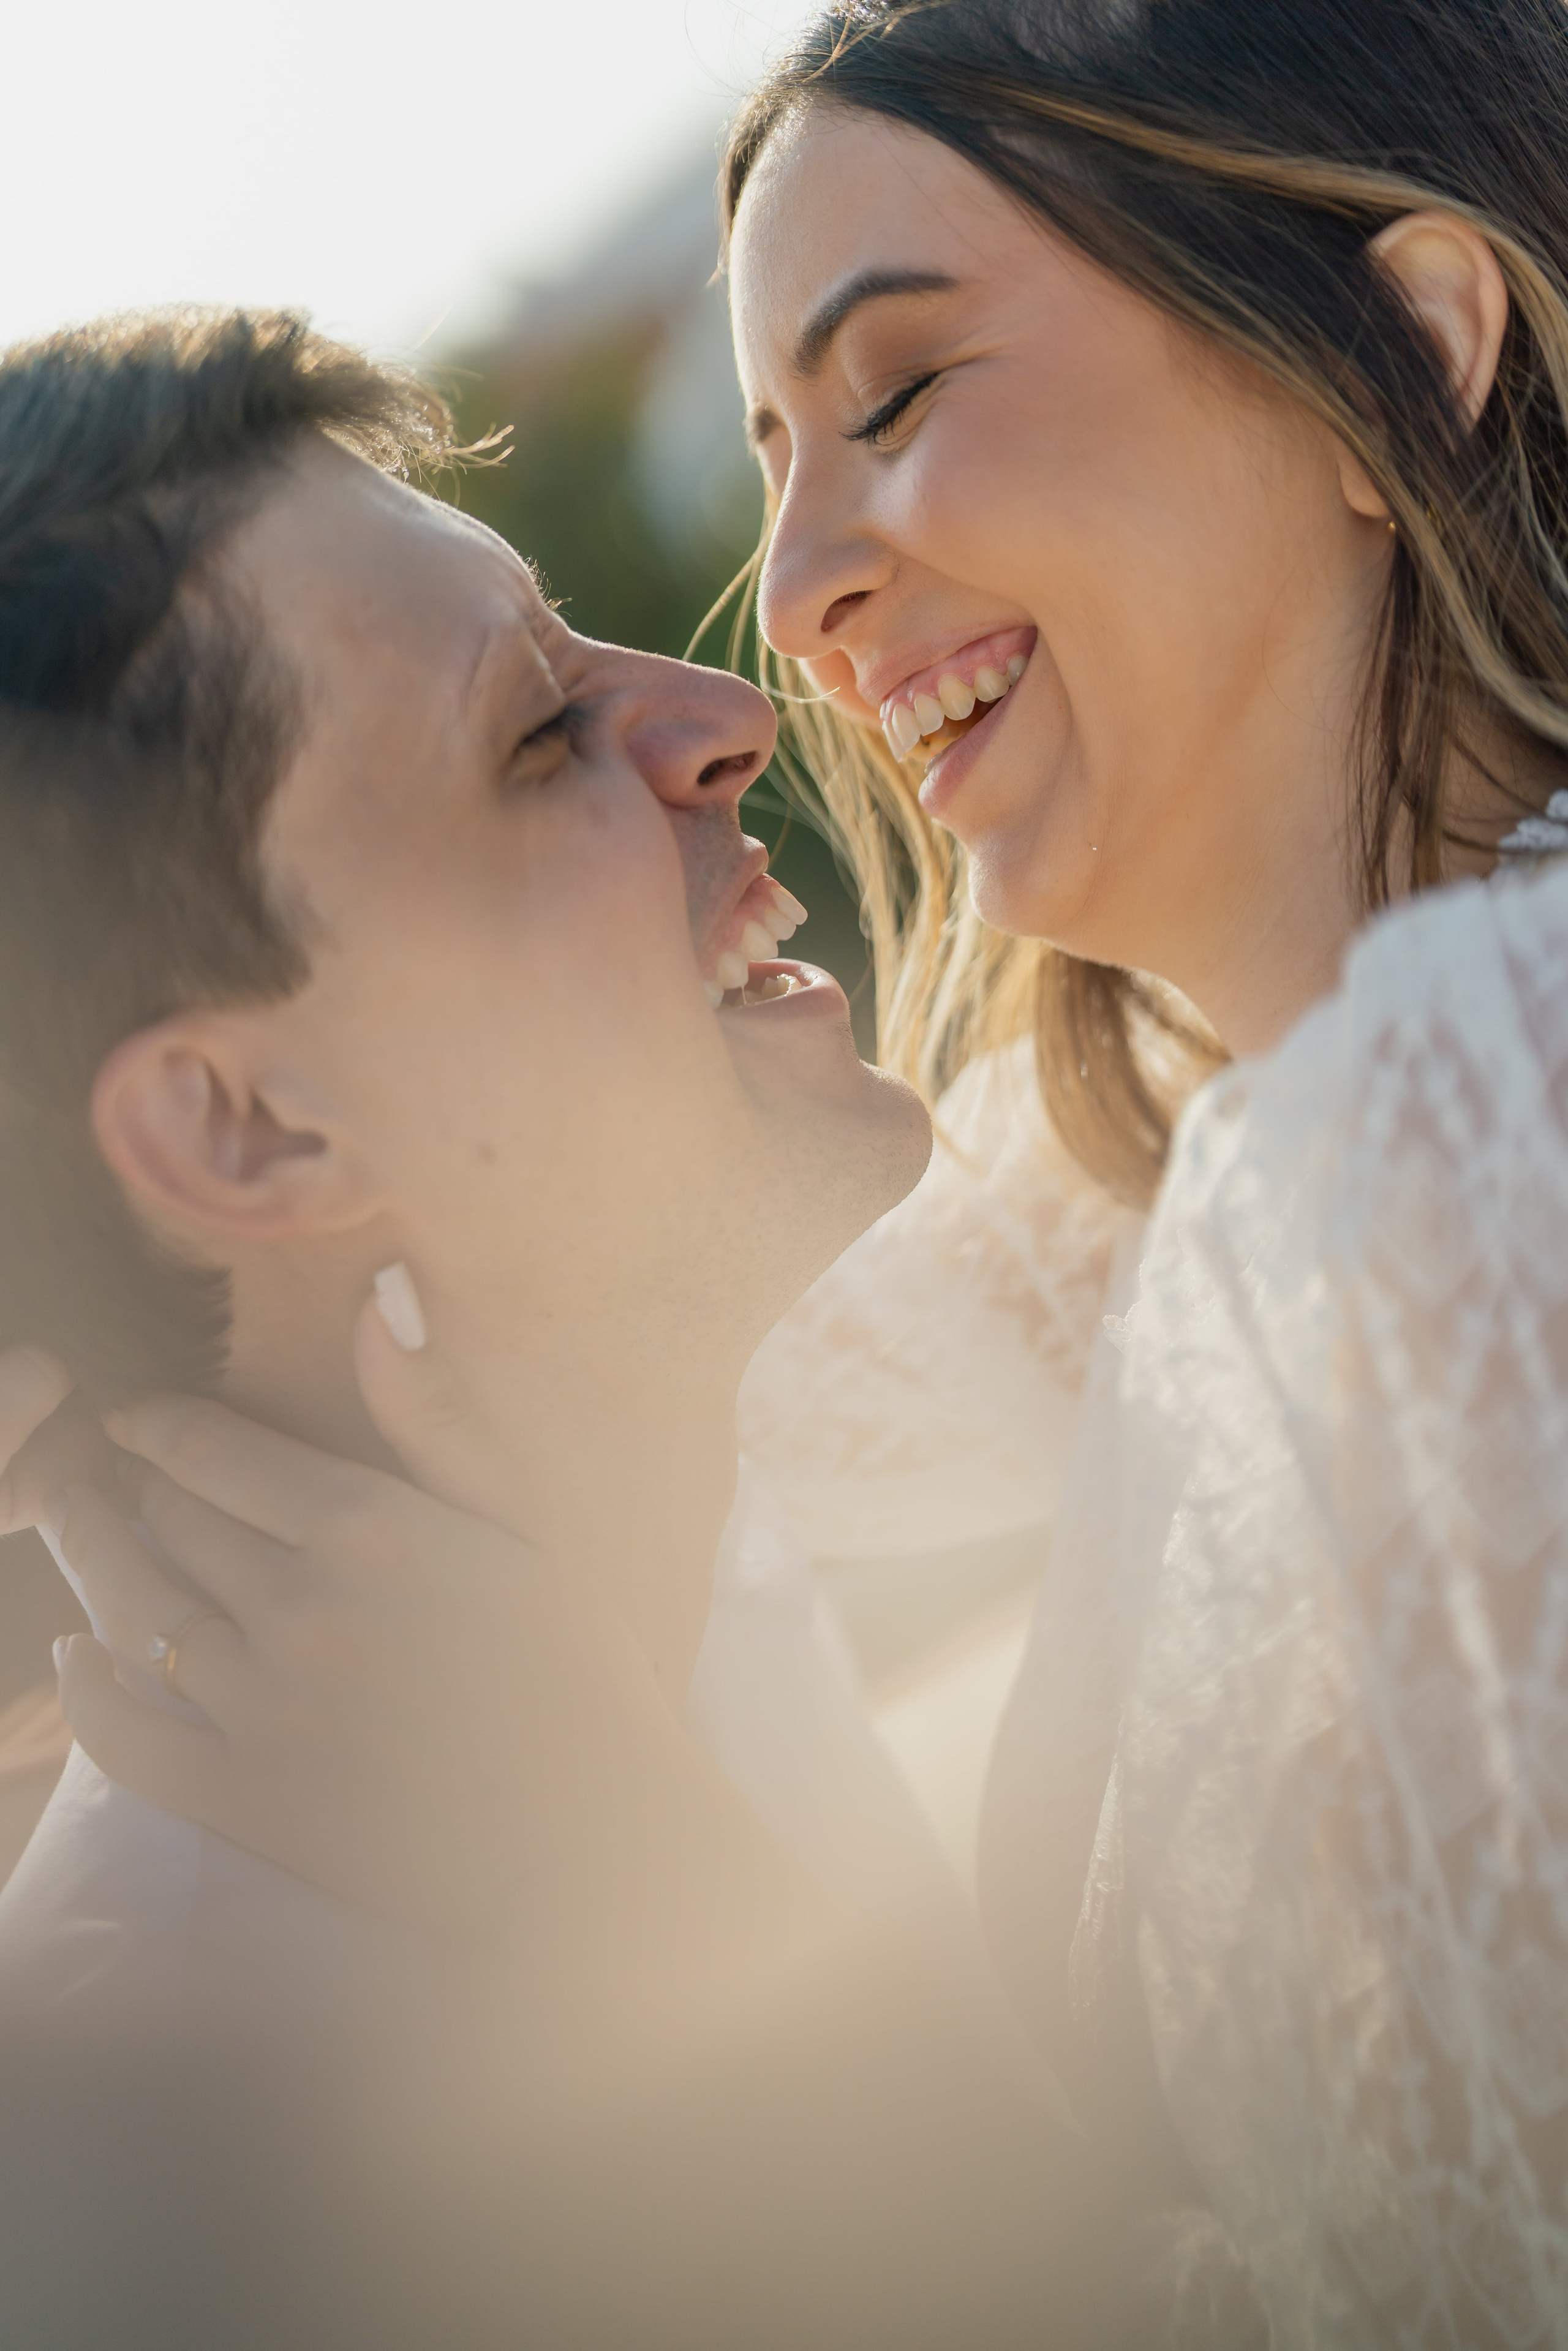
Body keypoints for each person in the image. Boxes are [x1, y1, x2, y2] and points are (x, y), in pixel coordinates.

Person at [32, 2, 1568, 2342]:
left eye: (902, 391)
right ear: (238, 1125)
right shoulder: (1137, 1193)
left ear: (1409, 347)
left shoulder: (1475, 1123)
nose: (775, 641)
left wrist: (625, 1874)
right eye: (539, 730)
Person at [0, 306, 1129, 2350]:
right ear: (247, 1124)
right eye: (534, 740)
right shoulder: (205, 2170)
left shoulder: (687, 1552)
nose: (726, 707)